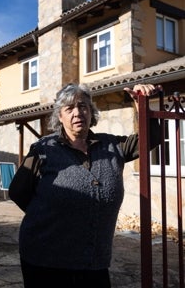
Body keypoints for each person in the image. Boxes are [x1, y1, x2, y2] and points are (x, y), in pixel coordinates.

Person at [9, 83, 161, 288]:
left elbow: (150, 138)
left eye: (83, 106)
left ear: (91, 112)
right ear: (59, 117)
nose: (77, 113)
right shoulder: (44, 149)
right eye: (69, 108)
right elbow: (18, 192)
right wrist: (50, 212)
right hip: (45, 258)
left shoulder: (112, 145)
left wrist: (142, 106)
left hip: (94, 259)